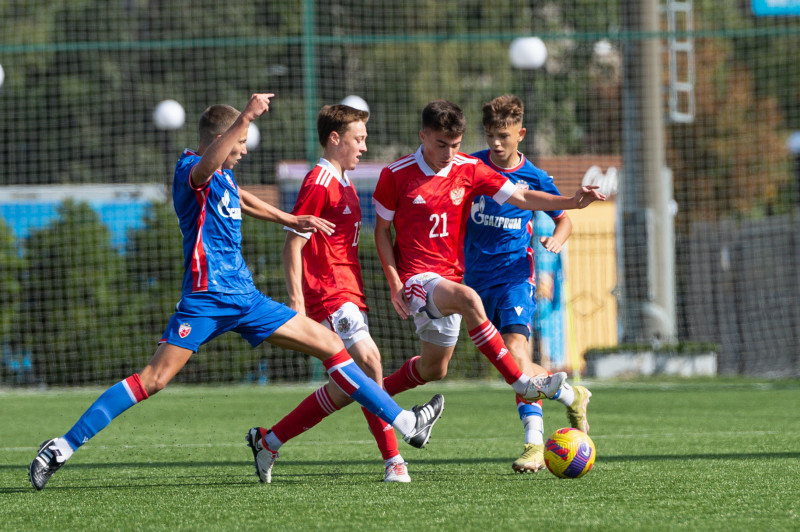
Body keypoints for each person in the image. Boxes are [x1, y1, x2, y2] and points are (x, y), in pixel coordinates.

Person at [27, 94, 444, 491]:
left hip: (246, 299)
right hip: (205, 300)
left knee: (333, 346)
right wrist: (246, 116)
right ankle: (61, 447)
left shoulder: (224, 177)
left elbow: (243, 199)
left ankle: (405, 423)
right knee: (152, 379)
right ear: (219, 139)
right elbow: (208, 166)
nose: (244, 150)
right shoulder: (190, 170)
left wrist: (290, 218)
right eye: (241, 142)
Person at [372, 100, 604, 454]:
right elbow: (381, 231)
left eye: (456, 144)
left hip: (482, 278)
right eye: (441, 144)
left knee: (436, 368)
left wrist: (572, 202)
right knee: (477, 311)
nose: (449, 152)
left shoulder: (469, 167)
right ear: (423, 136)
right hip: (421, 279)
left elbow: (523, 196)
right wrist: (395, 283)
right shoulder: (396, 174)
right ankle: (527, 407)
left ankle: (372, 393)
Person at [252, 104, 412, 484]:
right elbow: (293, 245)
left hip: (349, 292)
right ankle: (395, 458)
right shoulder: (318, 181)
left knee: (347, 387)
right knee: (371, 364)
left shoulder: (343, 180)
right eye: (359, 139)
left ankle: (268, 440)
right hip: (328, 293)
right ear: (335, 138)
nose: (364, 147)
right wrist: (297, 304)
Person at [464, 94, 592, 473]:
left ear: (521, 133)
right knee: (510, 365)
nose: (496, 143)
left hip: (516, 277)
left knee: (517, 353)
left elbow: (564, 218)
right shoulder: (471, 166)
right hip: (473, 283)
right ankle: (572, 394)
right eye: (490, 135)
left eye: (503, 135)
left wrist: (556, 241)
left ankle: (534, 444)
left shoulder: (534, 177)